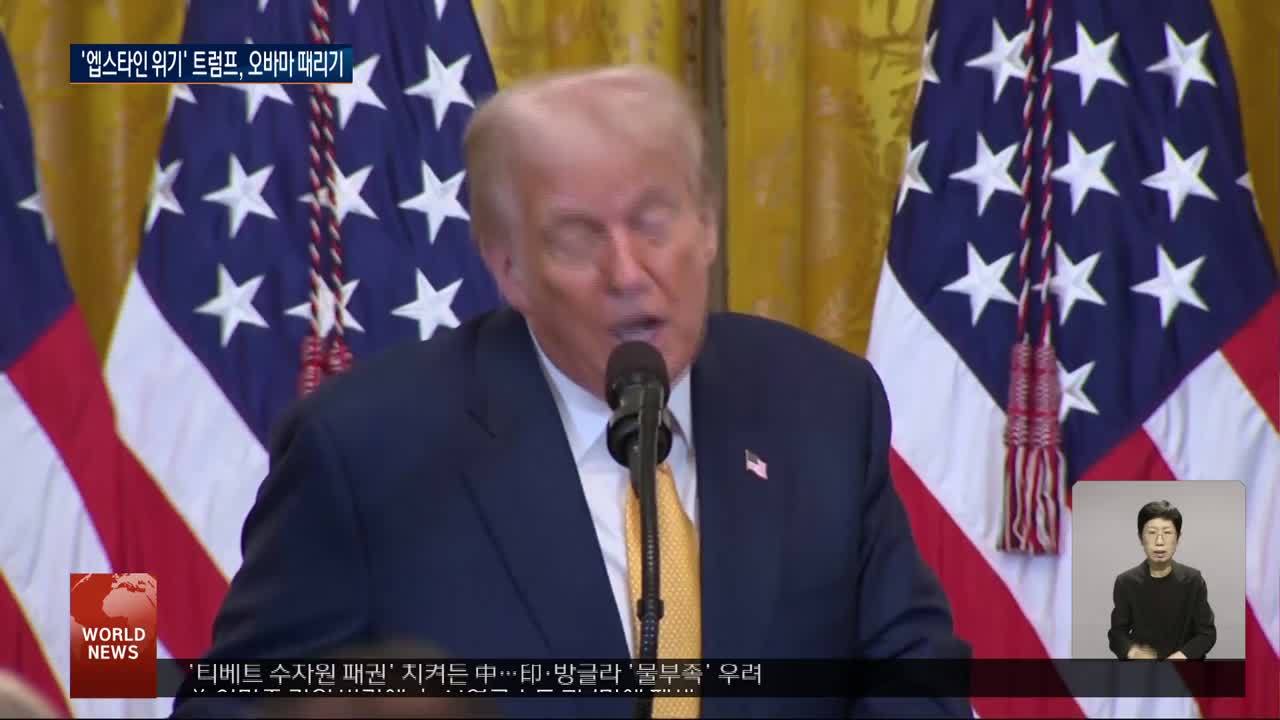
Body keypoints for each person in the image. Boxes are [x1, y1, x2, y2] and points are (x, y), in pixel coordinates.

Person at [173, 64, 970, 719]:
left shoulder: (822, 406)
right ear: (509, 268)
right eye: (578, 237)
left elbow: (914, 679)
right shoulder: (368, 451)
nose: (628, 272)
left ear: (707, 225)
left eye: (653, 222)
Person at [1108, 500, 1216, 661]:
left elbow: (1206, 634)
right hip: (1142, 670)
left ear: (1178, 538)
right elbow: (1117, 634)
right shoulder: (1126, 582)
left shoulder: (1193, 580)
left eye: (1167, 532)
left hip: (1184, 670)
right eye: (1152, 533)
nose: (1159, 542)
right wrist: (1133, 652)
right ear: (1140, 537)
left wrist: (1180, 658)